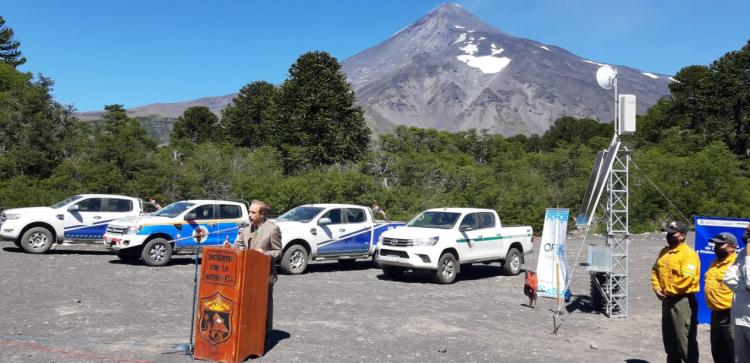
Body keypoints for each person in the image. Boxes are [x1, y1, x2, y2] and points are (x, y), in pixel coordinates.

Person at [651, 220, 700, 363]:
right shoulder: (664, 252)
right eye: (668, 233)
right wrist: (657, 288)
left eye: (673, 233)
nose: (669, 235)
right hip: (667, 301)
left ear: (683, 235)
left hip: (682, 302)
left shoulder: (688, 254)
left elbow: (686, 280)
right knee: (670, 342)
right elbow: (655, 271)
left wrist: (667, 290)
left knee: (684, 342)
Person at [235, 200, 282, 342]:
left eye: (253, 213)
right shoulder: (245, 229)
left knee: (263, 305)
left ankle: (265, 334)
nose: (249, 215)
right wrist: (230, 247)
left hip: (264, 274)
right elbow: (239, 246)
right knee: (249, 304)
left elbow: (278, 251)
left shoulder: (272, 229)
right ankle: (249, 331)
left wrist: (264, 253)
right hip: (247, 274)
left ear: (262, 214)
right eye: (249, 212)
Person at [705, 232, 737, 363]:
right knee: (719, 352)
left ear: (732, 247)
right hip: (716, 314)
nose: (717, 247)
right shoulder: (715, 263)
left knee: (737, 352)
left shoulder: (737, 265)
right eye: (715, 244)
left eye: (720, 244)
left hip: (732, 315)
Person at [723, 224, 750, 363]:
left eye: (749, 232)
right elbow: (728, 278)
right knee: (740, 359)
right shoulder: (743, 252)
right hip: (740, 317)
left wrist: (749, 258)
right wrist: (742, 286)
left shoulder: (747, 255)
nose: (746, 235)